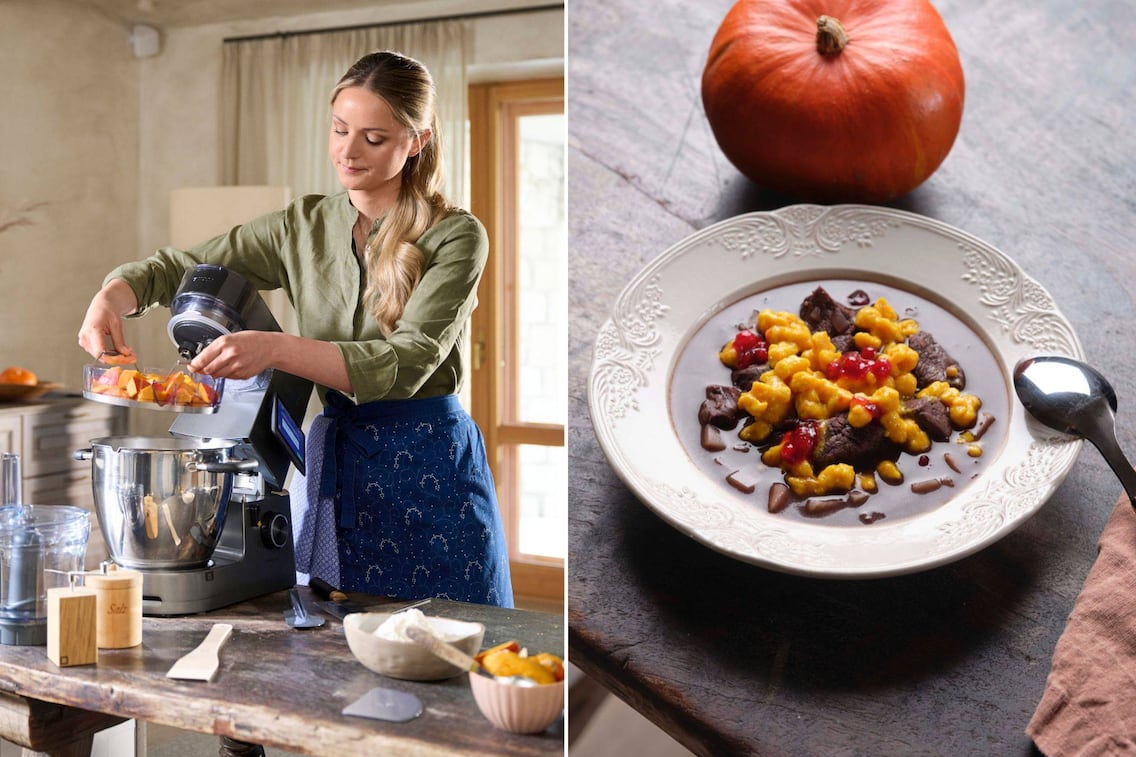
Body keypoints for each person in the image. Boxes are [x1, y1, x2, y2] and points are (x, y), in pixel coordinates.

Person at [77, 51, 513, 608]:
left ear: (417, 140)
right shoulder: (301, 225)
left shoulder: (456, 236)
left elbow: (407, 362)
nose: (348, 152)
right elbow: (184, 266)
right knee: (337, 643)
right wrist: (113, 294)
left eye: (373, 138)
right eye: (339, 130)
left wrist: (273, 349)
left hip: (427, 467)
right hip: (336, 463)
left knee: (460, 645)